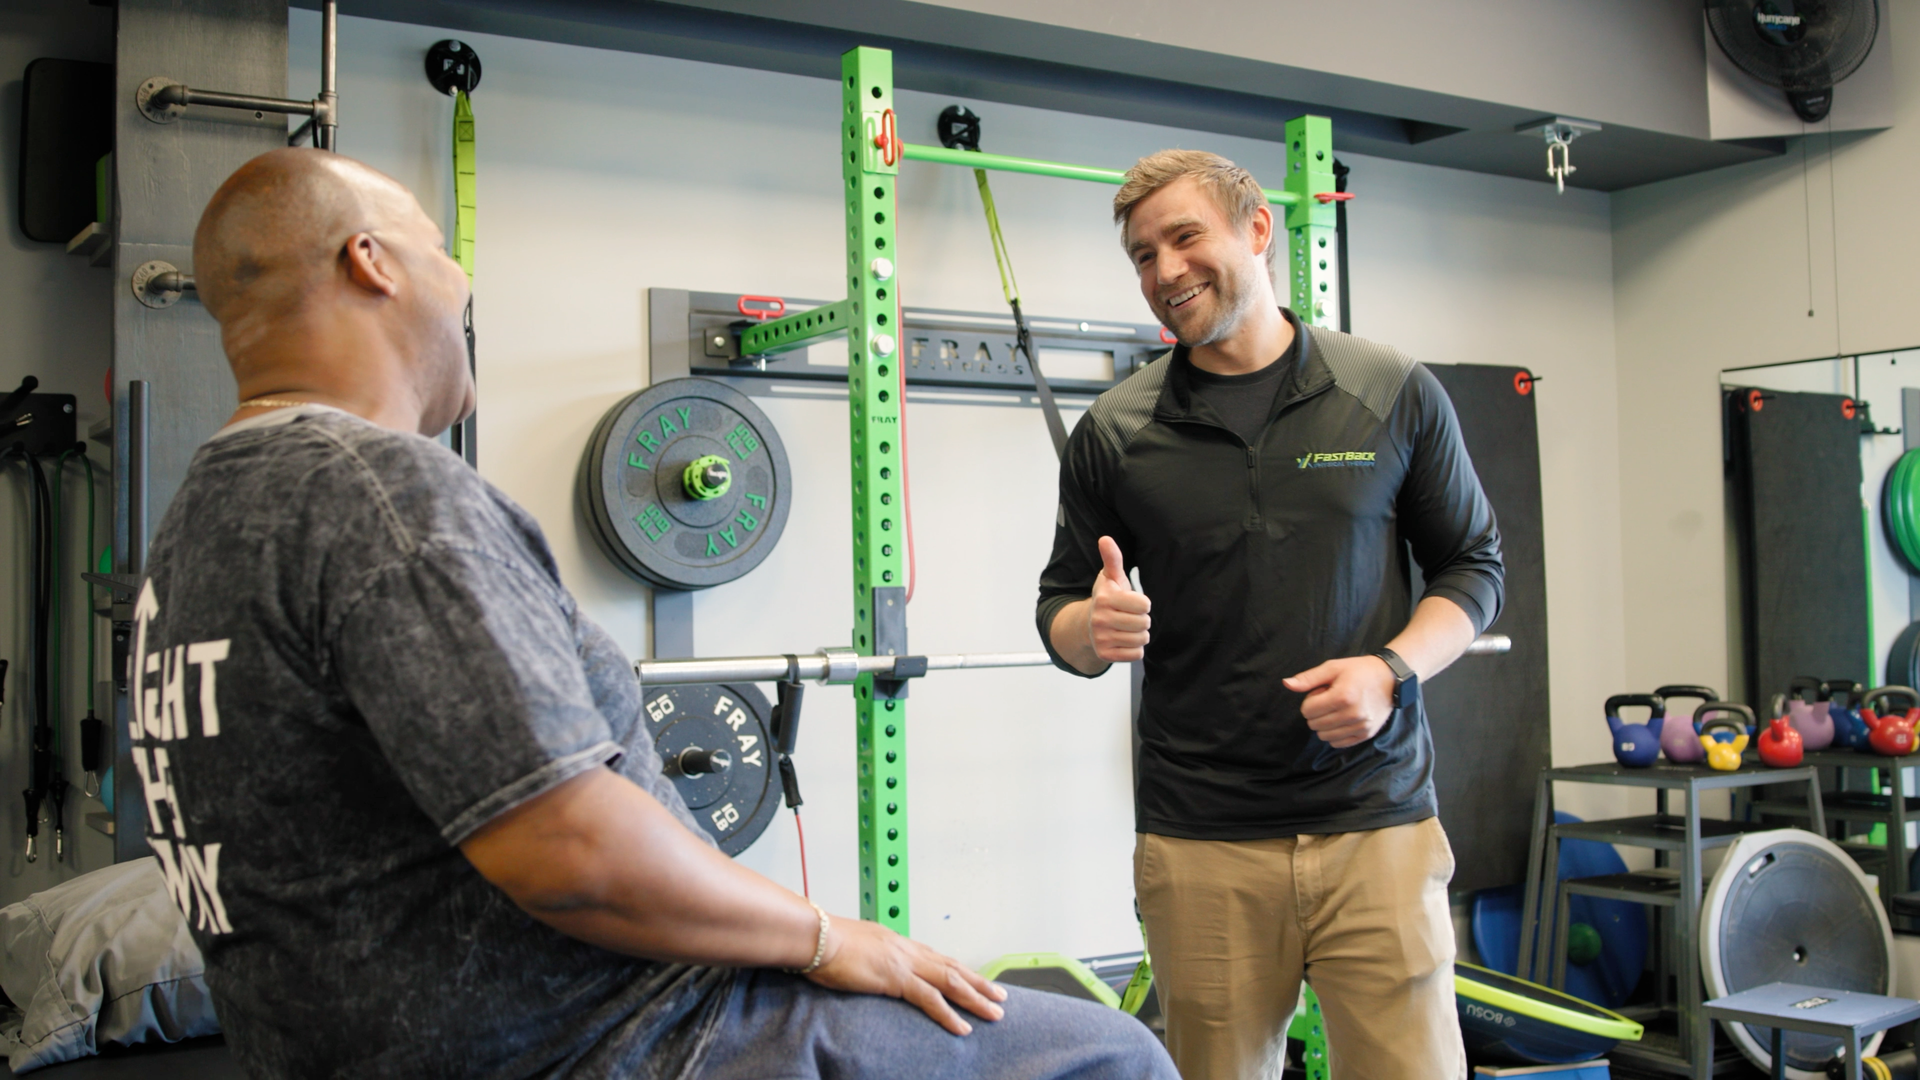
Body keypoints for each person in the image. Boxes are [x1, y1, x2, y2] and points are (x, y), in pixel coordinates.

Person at [133, 147, 1177, 1080]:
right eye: (441, 253)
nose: (458, 286)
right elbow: (577, 855)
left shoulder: (194, 527)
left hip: (356, 1045)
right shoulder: (383, 497)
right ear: (373, 264)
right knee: (1102, 1054)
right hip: (612, 1039)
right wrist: (832, 935)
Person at [1036, 150, 1505, 1080]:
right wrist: (1092, 632)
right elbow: (1058, 605)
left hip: (1378, 825)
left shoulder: (1389, 392)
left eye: (1184, 237)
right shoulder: (1117, 430)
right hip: (1201, 841)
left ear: (1257, 233)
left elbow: (1472, 567)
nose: (1164, 271)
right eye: (1141, 255)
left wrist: (1391, 670)